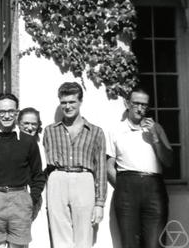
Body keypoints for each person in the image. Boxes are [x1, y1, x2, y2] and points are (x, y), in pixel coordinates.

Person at [0, 93, 46, 248]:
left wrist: (30, 199)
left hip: (20, 200)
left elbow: (38, 175)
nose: (6, 116)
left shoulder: (28, 141)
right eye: (2, 112)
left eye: (11, 111)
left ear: (17, 113)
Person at [107, 86, 173, 248]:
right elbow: (109, 166)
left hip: (154, 189)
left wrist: (155, 137)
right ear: (127, 103)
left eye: (144, 105)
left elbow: (168, 161)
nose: (140, 108)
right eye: (136, 103)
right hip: (127, 188)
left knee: (155, 243)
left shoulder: (156, 128)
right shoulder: (115, 130)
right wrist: (124, 187)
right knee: (130, 243)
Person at [43, 82, 107, 248]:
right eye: (64, 102)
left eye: (72, 102)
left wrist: (99, 203)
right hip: (57, 178)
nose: (68, 106)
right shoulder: (50, 131)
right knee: (59, 234)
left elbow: (100, 168)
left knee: (84, 235)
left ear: (80, 101)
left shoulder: (96, 132)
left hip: (84, 179)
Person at [18, 107, 51, 248]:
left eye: (33, 124)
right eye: (26, 123)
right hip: (16, 197)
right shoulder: (13, 143)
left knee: (38, 237)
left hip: (37, 196)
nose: (30, 127)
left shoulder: (41, 146)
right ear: (19, 123)